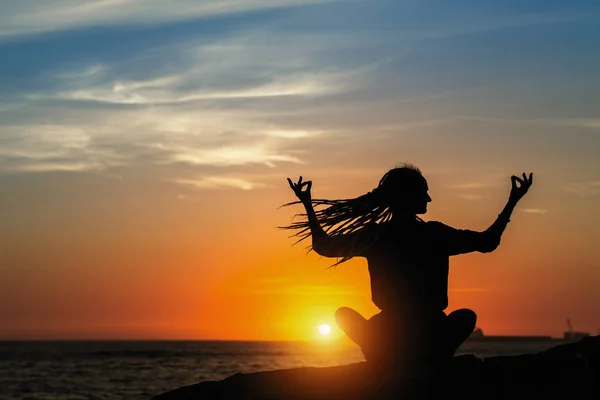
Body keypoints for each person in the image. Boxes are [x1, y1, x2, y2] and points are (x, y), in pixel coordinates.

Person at [283, 164, 533, 376]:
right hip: (430, 331)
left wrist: (307, 205)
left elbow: (324, 246)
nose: (429, 199)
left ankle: (382, 359)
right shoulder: (434, 233)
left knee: (344, 315)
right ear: (409, 196)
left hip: (388, 332)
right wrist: (512, 202)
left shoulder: (377, 235)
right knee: (465, 317)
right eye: (424, 192)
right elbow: (488, 242)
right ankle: (430, 361)